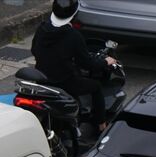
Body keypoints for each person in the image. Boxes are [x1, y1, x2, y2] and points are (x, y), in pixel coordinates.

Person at [31, 0, 117, 133]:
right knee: (96, 87)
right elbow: (87, 64)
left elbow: (34, 50)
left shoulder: (42, 28)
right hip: (64, 82)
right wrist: (106, 62)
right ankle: (101, 124)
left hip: (42, 80)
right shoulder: (73, 35)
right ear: (74, 14)